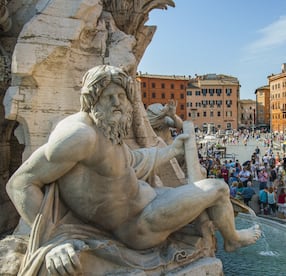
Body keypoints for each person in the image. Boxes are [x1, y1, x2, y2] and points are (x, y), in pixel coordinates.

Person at [6, 65, 261, 275]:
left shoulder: (107, 128)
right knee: (218, 188)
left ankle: (226, 236)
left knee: (206, 194)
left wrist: (171, 151)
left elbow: (132, 161)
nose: (117, 102)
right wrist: (53, 242)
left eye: (122, 96)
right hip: (139, 225)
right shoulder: (79, 136)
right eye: (108, 96)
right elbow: (20, 183)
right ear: (92, 100)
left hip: (149, 199)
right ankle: (232, 239)